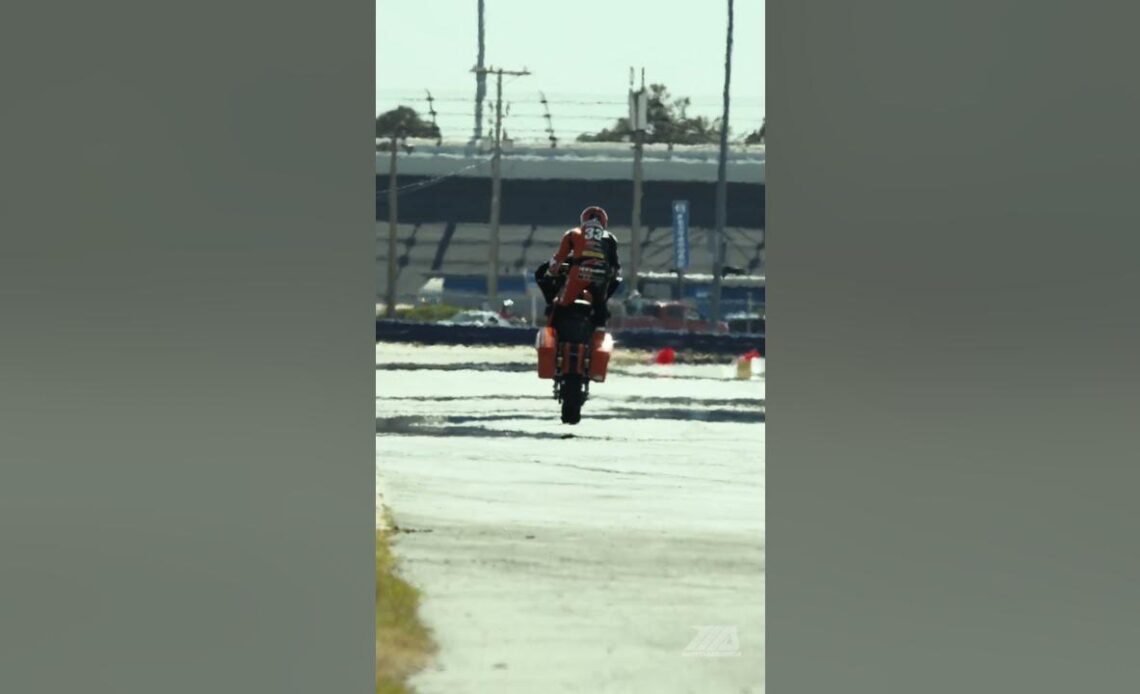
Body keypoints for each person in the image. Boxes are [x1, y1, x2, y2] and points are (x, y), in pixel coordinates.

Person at [535, 206, 621, 329]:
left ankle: (551, 330)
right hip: (601, 274)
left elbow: (558, 261)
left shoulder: (572, 234)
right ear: (604, 222)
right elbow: (616, 269)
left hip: (577, 271)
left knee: (559, 306)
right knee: (601, 310)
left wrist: (553, 272)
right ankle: (599, 330)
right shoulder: (610, 238)